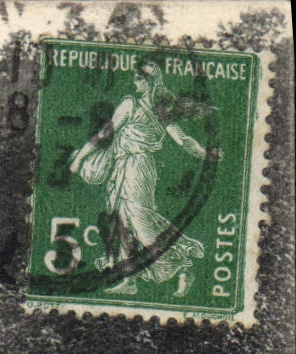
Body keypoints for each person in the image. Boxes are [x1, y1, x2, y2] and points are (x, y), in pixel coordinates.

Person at [70, 59, 217, 297]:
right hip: (123, 167)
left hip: (139, 167)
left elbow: (182, 139)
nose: (135, 81)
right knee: (121, 221)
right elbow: (106, 132)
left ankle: (181, 265)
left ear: (150, 82)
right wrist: (81, 158)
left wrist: (206, 153)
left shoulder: (143, 107)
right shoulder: (138, 105)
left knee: (138, 220)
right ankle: (128, 278)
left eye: (139, 78)